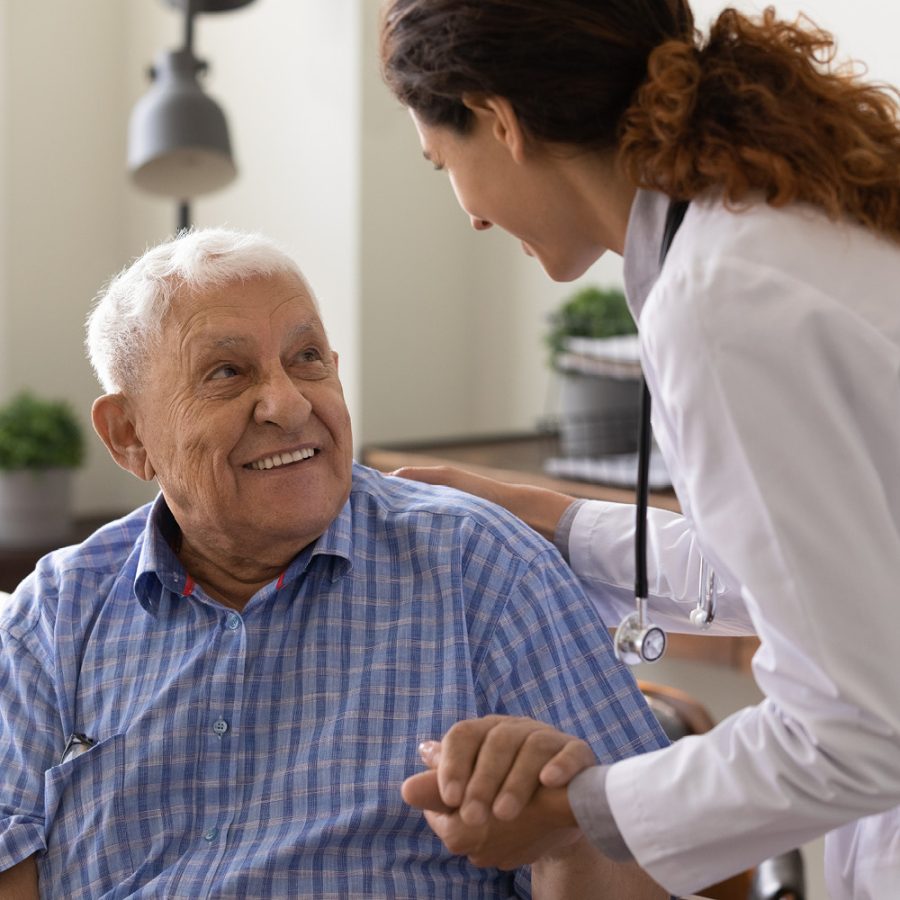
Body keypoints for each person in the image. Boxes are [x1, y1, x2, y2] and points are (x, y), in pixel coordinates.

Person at [379, 0, 900, 897]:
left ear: (498, 121)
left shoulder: (721, 300)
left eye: (441, 167)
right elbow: (828, 570)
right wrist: (560, 523)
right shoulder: (775, 222)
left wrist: (582, 812)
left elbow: (856, 730)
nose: (467, 215)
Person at [0, 228, 668, 898]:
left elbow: (652, 869)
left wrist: (567, 836)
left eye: (308, 358)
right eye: (227, 372)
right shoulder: (56, 614)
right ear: (128, 435)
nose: (288, 404)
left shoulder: (483, 570)